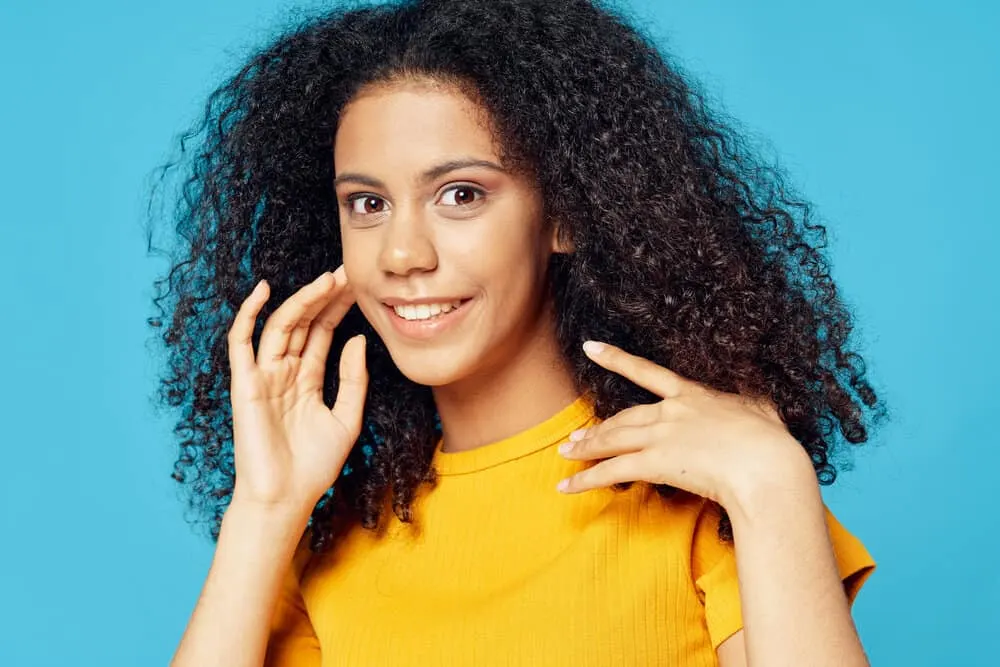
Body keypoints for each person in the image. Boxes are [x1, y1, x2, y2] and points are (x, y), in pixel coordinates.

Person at [148, 0, 885, 665]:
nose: (403, 254)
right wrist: (263, 511)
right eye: (367, 203)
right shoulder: (329, 543)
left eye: (460, 194)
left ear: (564, 213)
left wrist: (773, 482)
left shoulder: (705, 485)